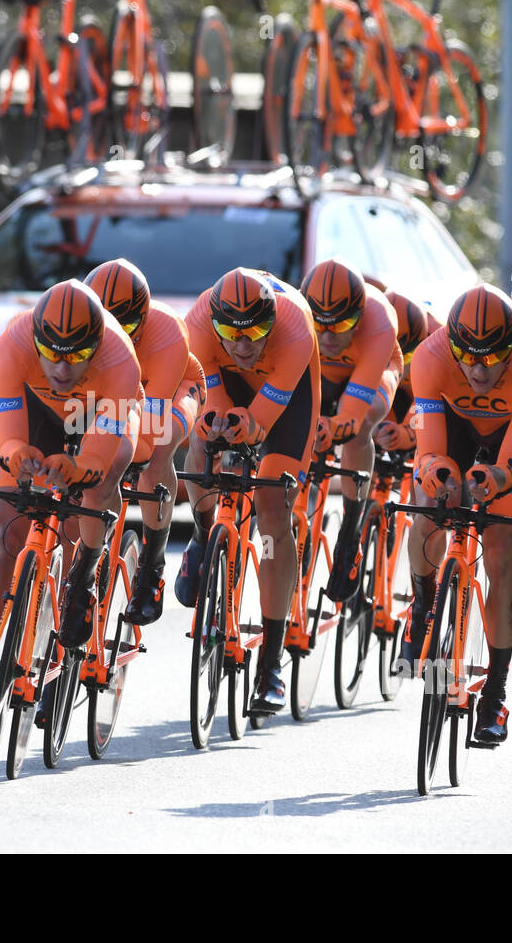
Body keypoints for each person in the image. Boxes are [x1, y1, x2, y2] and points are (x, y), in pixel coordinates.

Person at [0, 280, 143, 748]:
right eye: (50, 353)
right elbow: (11, 438)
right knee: (8, 531)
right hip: (38, 414)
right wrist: (18, 457)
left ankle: (84, 578)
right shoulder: (12, 344)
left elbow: (96, 460)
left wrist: (76, 468)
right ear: (36, 338)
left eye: (75, 356)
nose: (59, 367)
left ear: (95, 346)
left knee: (91, 494)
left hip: (96, 415)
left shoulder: (119, 361)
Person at [399, 284, 512, 745]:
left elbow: (511, 464)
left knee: (501, 547)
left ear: (511, 349)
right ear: (452, 346)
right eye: (467, 356)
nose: (477, 368)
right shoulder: (430, 359)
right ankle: (424, 602)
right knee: (428, 512)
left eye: (491, 358)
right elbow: (429, 449)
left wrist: (496, 480)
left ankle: (495, 691)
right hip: (453, 428)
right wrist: (435, 471)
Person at [176, 267, 321, 716]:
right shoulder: (199, 323)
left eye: (256, 331)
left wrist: (243, 428)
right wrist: (215, 423)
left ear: (271, 321)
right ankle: (204, 537)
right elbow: (213, 400)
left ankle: (271, 666)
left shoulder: (294, 325)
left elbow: (259, 424)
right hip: (229, 382)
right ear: (216, 322)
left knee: (274, 514)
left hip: (288, 395)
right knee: (204, 437)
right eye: (231, 333)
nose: (242, 345)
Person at [84, 259, 205, 625]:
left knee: (154, 452)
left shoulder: (167, 330)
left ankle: (152, 564)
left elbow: (146, 434)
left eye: (127, 325)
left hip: (176, 388)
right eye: (104, 325)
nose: (116, 335)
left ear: (144, 316)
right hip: (119, 391)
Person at [298, 259, 402, 602]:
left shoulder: (379, 319)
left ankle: (351, 527)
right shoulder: (296, 316)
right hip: (323, 377)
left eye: (340, 325)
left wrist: (336, 425)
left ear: (358, 315)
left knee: (358, 426)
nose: (328, 336)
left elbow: (352, 415)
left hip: (373, 370)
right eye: (320, 325)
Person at [372, 286, 441, 453]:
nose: (397, 366)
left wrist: (399, 435)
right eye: (384, 358)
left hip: (420, 395)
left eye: (406, 358)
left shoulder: (436, 351)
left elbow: (424, 411)